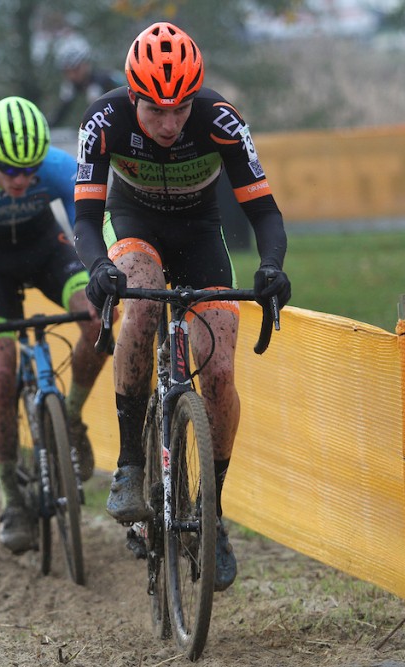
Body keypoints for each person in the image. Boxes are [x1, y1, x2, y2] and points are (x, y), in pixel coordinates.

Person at [72, 22, 291, 592]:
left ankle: (211, 516)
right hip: (136, 226)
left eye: (180, 109)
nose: (170, 125)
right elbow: (85, 218)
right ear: (133, 96)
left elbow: (265, 213)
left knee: (219, 370)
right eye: (155, 111)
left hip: (199, 234)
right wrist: (100, 268)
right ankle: (129, 465)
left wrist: (271, 267)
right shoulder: (104, 121)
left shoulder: (222, 120)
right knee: (140, 300)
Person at [0, 96, 107, 554]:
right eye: (9, 170)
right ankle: (12, 500)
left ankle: (70, 419)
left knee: (97, 318)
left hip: (46, 249)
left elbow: (87, 233)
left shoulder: (59, 168)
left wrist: (99, 281)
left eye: (29, 170)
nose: (20, 179)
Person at [49, 34, 123, 128]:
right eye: (67, 71)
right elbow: (61, 112)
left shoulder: (104, 79)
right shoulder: (70, 86)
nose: (72, 75)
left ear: (86, 64)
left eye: (76, 69)